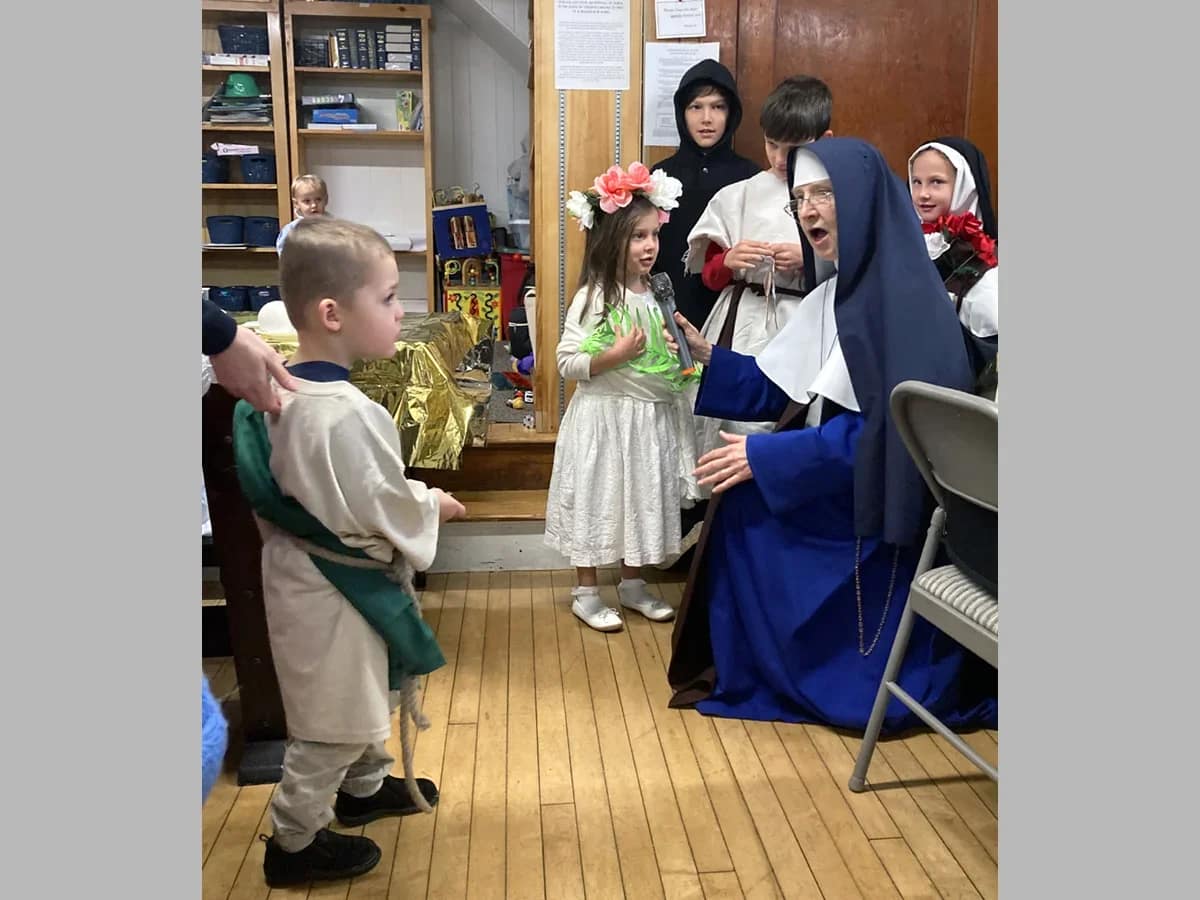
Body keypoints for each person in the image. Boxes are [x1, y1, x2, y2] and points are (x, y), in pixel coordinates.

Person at [664, 138, 997, 734]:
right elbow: (777, 386)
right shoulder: (837, 293)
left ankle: (812, 671)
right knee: (740, 501)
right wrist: (707, 353)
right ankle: (768, 665)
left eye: (823, 194)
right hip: (845, 477)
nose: (808, 210)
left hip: (882, 507)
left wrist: (769, 454)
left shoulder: (908, 307)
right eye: (799, 199)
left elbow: (895, 440)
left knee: (745, 504)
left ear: (865, 201)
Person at [231, 216, 467, 888]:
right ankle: (295, 840)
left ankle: (363, 790)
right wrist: (433, 506)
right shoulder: (343, 412)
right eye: (389, 298)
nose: (401, 313)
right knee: (332, 718)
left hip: (304, 573)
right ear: (332, 313)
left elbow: (344, 495)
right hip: (329, 585)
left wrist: (408, 500)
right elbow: (379, 505)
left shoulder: (276, 395)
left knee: (358, 689)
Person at [547, 162, 696, 632]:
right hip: (604, 417)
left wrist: (680, 352)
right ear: (613, 241)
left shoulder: (658, 293)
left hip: (647, 419)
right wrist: (614, 354)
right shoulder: (596, 296)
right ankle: (586, 590)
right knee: (598, 497)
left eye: (653, 235)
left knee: (639, 496)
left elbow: (672, 355)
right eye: (637, 237)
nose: (650, 246)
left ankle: (633, 583)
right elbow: (567, 361)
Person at [684, 74, 835, 463]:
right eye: (772, 145)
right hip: (746, 316)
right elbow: (709, 273)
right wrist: (729, 260)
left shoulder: (840, 193)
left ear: (825, 140)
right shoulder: (742, 193)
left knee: (799, 413)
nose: (781, 159)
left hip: (807, 315)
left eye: (795, 148)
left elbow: (858, 264)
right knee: (735, 418)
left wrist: (810, 260)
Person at [650, 59, 760, 329]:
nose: (706, 118)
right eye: (696, 107)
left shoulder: (751, 176)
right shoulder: (660, 176)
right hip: (670, 311)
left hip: (732, 313)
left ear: (731, 113)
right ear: (682, 113)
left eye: (718, 107)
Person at [908, 137, 998, 385]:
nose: (923, 194)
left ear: (964, 186)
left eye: (936, 182)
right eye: (916, 182)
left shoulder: (984, 265)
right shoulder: (903, 243)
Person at [276, 174, 330, 253]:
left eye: (318, 199)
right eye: (307, 201)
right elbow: (284, 256)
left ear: (326, 200)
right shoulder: (291, 230)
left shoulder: (334, 228)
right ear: (296, 204)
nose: (314, 205)